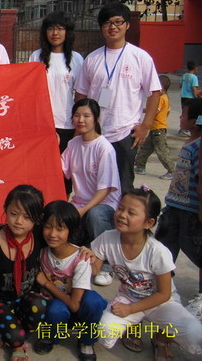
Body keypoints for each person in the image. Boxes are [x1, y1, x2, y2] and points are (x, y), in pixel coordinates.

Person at [91, 187, 202, 359]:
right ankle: (133, 326)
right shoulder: (107, 238)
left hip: (162, 303)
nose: (122, 215)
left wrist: (130, 309)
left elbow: (164, 294)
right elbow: (93, 269)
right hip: (128, 297)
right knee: (105, 330)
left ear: (149, 223)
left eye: (131, 212)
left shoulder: (158, 251)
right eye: (120, 208)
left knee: (195, 334)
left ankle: (161, 338)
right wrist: (85, 258)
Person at [75, 2, 161, 194]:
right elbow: (81, 94)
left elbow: (154, 92)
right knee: (93, 185)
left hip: (125, 133)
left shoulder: (140, 57)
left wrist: (145, 126)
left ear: (127, 25)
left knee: (123, 187)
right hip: (95, 133)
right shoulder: (92, 59)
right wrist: (81, 126)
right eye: (107, 23)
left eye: (118, 22)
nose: (112, 27)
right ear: (101, 27)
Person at [0, 185, 48, 361]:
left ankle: (13, 326)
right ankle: (13, 337)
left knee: (40, 305)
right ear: (5, 210)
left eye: (27, 217)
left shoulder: (39, 236)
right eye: (14, 213)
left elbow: (62, 241)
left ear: (37, 218)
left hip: (26, 296)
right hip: (0, 299)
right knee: (16, 338)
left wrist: (85, 251)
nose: (19, 221)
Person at [35, 200, 107, 360]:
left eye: (60, 228)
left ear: (71, 230)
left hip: (78, 306)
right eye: (48, 226)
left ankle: (87, 341)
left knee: (93, 301)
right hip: (58, 306)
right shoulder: (42, 252)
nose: (52, 234)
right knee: (56, 309)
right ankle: (51, 336)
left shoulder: (80, 258)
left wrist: (46, 283)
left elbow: (75, 305)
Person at [61, 98, 121, 282]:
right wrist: (52, 143)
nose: (81, 120)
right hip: (79, 203)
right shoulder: (73, 144)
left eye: (86, 116)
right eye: (77, 115)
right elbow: (60, 170)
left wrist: (83, 210)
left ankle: (107, 266)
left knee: (95, 215)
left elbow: (105, 190)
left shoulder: (104, 148)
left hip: (103, 205)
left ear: (96, 118)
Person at [156, 98, 202, 320]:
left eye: (183, 114)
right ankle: (163, 288)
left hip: (191, 212)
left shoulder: (199, 146)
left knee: (198, 251)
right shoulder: (191, 142)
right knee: (163, 250)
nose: (180, 117)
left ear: (195, 121)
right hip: (174, 207)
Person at [29, 12, 84, 157]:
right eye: (51, 29)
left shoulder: (77, 59)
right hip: (42, 124)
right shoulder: (36, 57)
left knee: (65, 167)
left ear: (67, 32)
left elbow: (81, 94)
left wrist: (79, 124)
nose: (55, 33)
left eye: (60, 29)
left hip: (67, 123)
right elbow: (30, 91)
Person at [134, 75, 174, 180]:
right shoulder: (165, 98)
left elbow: (154, 111)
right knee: (145, 148)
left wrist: (142, 110)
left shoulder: (161, 99)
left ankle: (172, 171)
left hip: (158, 130)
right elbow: (167, 111)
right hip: (154, 129)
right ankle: (140, 166)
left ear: (161, 88)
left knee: (161, 151)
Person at [179, 61, 199, 136]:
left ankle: (182, 129)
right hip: (190, 98)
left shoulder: (184, 75)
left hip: (183, 96)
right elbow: (194, 88)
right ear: (195, 68)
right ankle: (185, 130)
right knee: (190, 114)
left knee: (184, 112)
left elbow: (180, 85)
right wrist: (197, 96)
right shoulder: (194, 77)